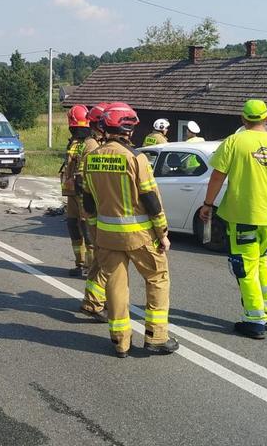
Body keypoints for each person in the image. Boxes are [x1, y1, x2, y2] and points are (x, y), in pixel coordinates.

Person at [82, 102, 179, 358]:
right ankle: (156, 338)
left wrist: (95, 233)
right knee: (157, 279)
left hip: (107, 236)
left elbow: (88, 202)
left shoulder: (91, 157)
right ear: (129, 129)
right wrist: (163, 234)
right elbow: (150, 198)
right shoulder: (136, 158)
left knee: (115, 286)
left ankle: (120, 341)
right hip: (140, 236)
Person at [199, 99, 267, 340]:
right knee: (263, 258)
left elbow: (217, 176)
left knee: (245, 268)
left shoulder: (235, 141)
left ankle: (254, 320)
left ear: (243, 120)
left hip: (244, 216)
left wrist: (208, 204)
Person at [79, 102, 109, 322]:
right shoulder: (91, 145)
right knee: (101, 259)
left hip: (99, 212)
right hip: (97, 213)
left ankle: (94, 301)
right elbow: (83, 179)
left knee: (101, 258)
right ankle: (94, 303)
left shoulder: (97, 143)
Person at [61, 105, 93, 277]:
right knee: (73, 225)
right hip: (72, 193)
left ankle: (91, 266)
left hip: (84, 193)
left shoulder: (91, 144)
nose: (74, 129)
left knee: (86, 228)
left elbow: (83, 173)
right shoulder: (74, 142)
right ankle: (80, 263)